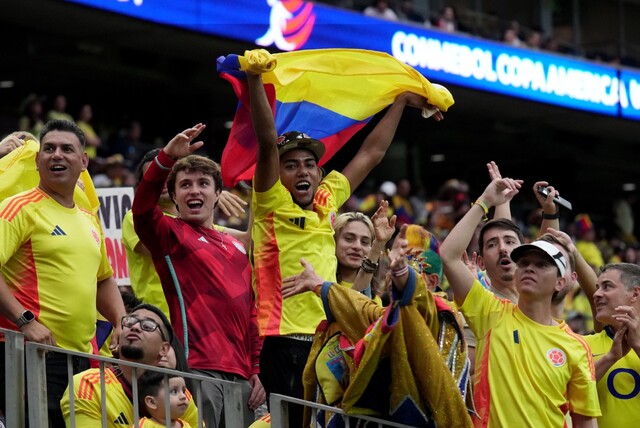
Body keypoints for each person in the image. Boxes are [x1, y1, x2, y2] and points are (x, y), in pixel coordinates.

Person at [247, 55, 440, 425]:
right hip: (281, 340)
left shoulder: (327, 198)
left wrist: (398, 102)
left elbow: (373, 152)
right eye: (291, 165)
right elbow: (267, 141)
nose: (302, 171)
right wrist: (256, 80)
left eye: (309, 165)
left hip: (329, 338)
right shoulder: (270, 202)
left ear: (320, 174)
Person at [132, 124, 264, 427]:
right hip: (198, 370)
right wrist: (165, 158)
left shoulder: (236, 247)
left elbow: (251, 314)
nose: (194, 190)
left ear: (217, 194)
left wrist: (256, 369)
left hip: (243, 378)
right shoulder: (169, 234)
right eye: (185, 185)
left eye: (203, 183)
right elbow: (141, 209)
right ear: (175, 197)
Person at [440, 177, 600, 427]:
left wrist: (550, 212)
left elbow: (585, 421)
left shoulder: (577, 347)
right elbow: (449, 256)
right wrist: (484, 202)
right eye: (523, 263)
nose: (528, 269)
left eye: (541, 265)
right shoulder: (491, 313)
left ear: (562, 282)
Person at [282, 223, 472, 427]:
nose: (392, 273)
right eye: (392, 267)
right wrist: (320, 285)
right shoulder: (389, 315)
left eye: (409, 265)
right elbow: (363, 310)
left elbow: (418, 301)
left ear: (433, 281)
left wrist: (403, 274)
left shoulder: (439, 314)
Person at [0, 119, 126, 426]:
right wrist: (24, 320)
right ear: (37, 159)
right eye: (49, 149)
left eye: (67, 149)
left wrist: (122, 322)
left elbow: (104, 278)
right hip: (32, 354)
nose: (57, 155)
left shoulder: (89, 219)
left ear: (84, 161)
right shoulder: (17, 208)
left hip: (82, 360)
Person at [61, 303, 200, 427]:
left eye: (148, 325)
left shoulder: (178, 393)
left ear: (164, 349)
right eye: (130, 321)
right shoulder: (89, 384)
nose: (135, 327)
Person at [583, 263, 640, 427]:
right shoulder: (582, 345)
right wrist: (610, 358)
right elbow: (565, 393)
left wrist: (637, 346)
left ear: (635, 293)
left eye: (607, 286)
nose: (596, 294)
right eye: (597, 288)